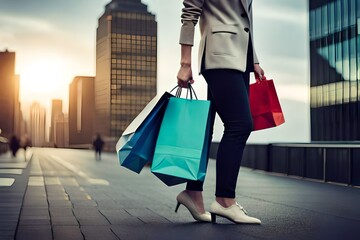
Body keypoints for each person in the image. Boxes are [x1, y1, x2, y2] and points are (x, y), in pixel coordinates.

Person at [175, 0, 264, 224]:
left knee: (207, 128)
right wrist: (185, 62)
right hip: (219, 53)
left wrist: (253, 60)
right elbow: (189, 13)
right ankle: (225, 200)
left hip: (240, 58)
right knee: (240, 125)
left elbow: (245, 17)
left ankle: (193, 192)